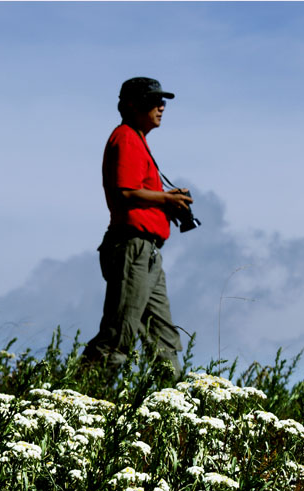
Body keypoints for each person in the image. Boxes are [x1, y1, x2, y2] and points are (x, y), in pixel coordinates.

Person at [82, 77, 192, 380]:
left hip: (147, 251)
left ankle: (175, 415)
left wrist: (166, 203)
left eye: (163, 102)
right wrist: (167, 198)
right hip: (133, 246)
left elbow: (132, 192)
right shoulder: (126, 138)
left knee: (164, 339)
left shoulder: (136, 139)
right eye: (153, 101)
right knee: (119, 334)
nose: (161, 107)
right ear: (132, 104)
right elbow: (125, 192)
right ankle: (75, 402)